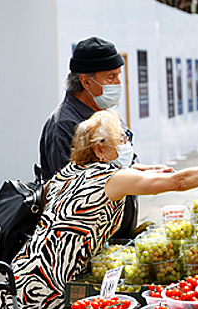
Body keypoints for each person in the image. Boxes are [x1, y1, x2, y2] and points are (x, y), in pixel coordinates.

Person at [0, 110, 198, 309]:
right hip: (49, 281)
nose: (127, 146)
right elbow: (179, 182)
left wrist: (145, 170)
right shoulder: (109, 178)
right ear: (100, 150)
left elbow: (117, 176)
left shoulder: (67, 173)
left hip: (24, 271)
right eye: (121, 141)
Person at [39, 36, 169, 239]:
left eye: (119, 75)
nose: (118, 83)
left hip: (115, 236)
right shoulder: (64, 125)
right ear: (85, 81)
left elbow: (120, 163)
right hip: (86, 242)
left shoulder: (105, 115)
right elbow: (71, 191)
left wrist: (146, 170)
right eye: (111, 77)